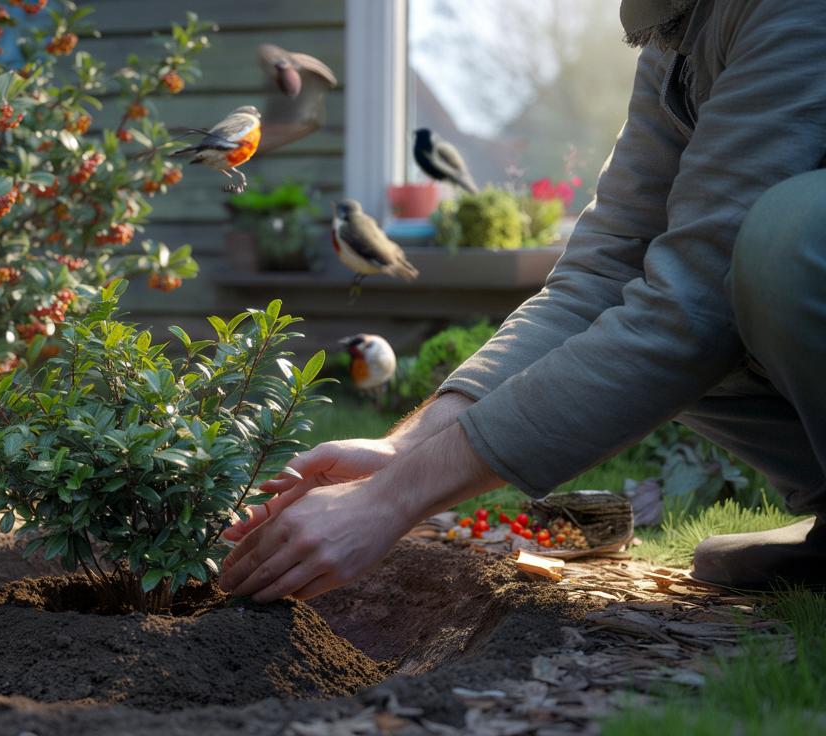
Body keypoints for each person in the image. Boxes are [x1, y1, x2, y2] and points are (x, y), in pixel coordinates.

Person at [219, 0, 826, 601]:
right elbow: (602, 275)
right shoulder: (675, 27)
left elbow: (693, 306)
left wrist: (390, 500)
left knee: (789, 238)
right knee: (643, 312)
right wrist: (404, 449)